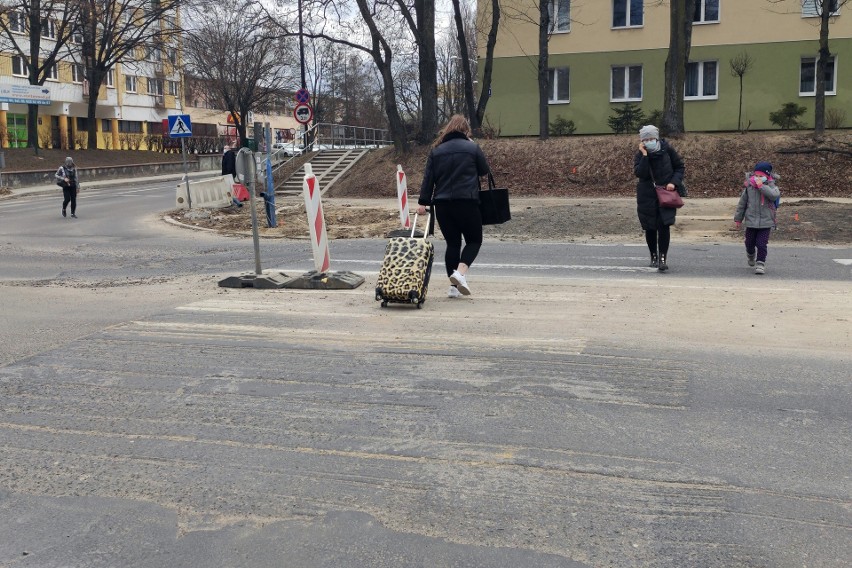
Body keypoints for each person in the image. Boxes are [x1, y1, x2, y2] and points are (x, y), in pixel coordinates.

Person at [417, 115, 491, 298]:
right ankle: (460, 273)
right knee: (474, 240)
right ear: (465, 130)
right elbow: (484, 171)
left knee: (453, 244)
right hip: (467, 202)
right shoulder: (472, 147)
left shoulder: (436, 151)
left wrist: (423, 202)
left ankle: (453, 288)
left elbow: (429, 179)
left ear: (448, 129)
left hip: (442, 205)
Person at [634, 125, 686, 272]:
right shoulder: (640, 154)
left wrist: (673, 182)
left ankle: (663, 258)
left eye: (651, 138)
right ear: (642, 141)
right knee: (650, 228)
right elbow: (640, 173)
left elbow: (679, 167)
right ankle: (653, 257)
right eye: (646, 139)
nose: (649, 141)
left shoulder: (667, 150)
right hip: (647, 195)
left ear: (656, 138)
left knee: (664, 226)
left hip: (666, 194)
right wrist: (644, 155)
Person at [734, 161, 780, 275]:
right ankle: (750, 254)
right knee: (749, 242)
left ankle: (760, 263)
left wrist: (762, 187)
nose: (758, 178)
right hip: (751, 221)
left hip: (766, 221)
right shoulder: (749, 187)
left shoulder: (771, 186)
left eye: (761, 176)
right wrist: (738, 219)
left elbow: (774, 195)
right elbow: (742, 203)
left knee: (761, 243)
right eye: (756, 175)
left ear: (767, 177)